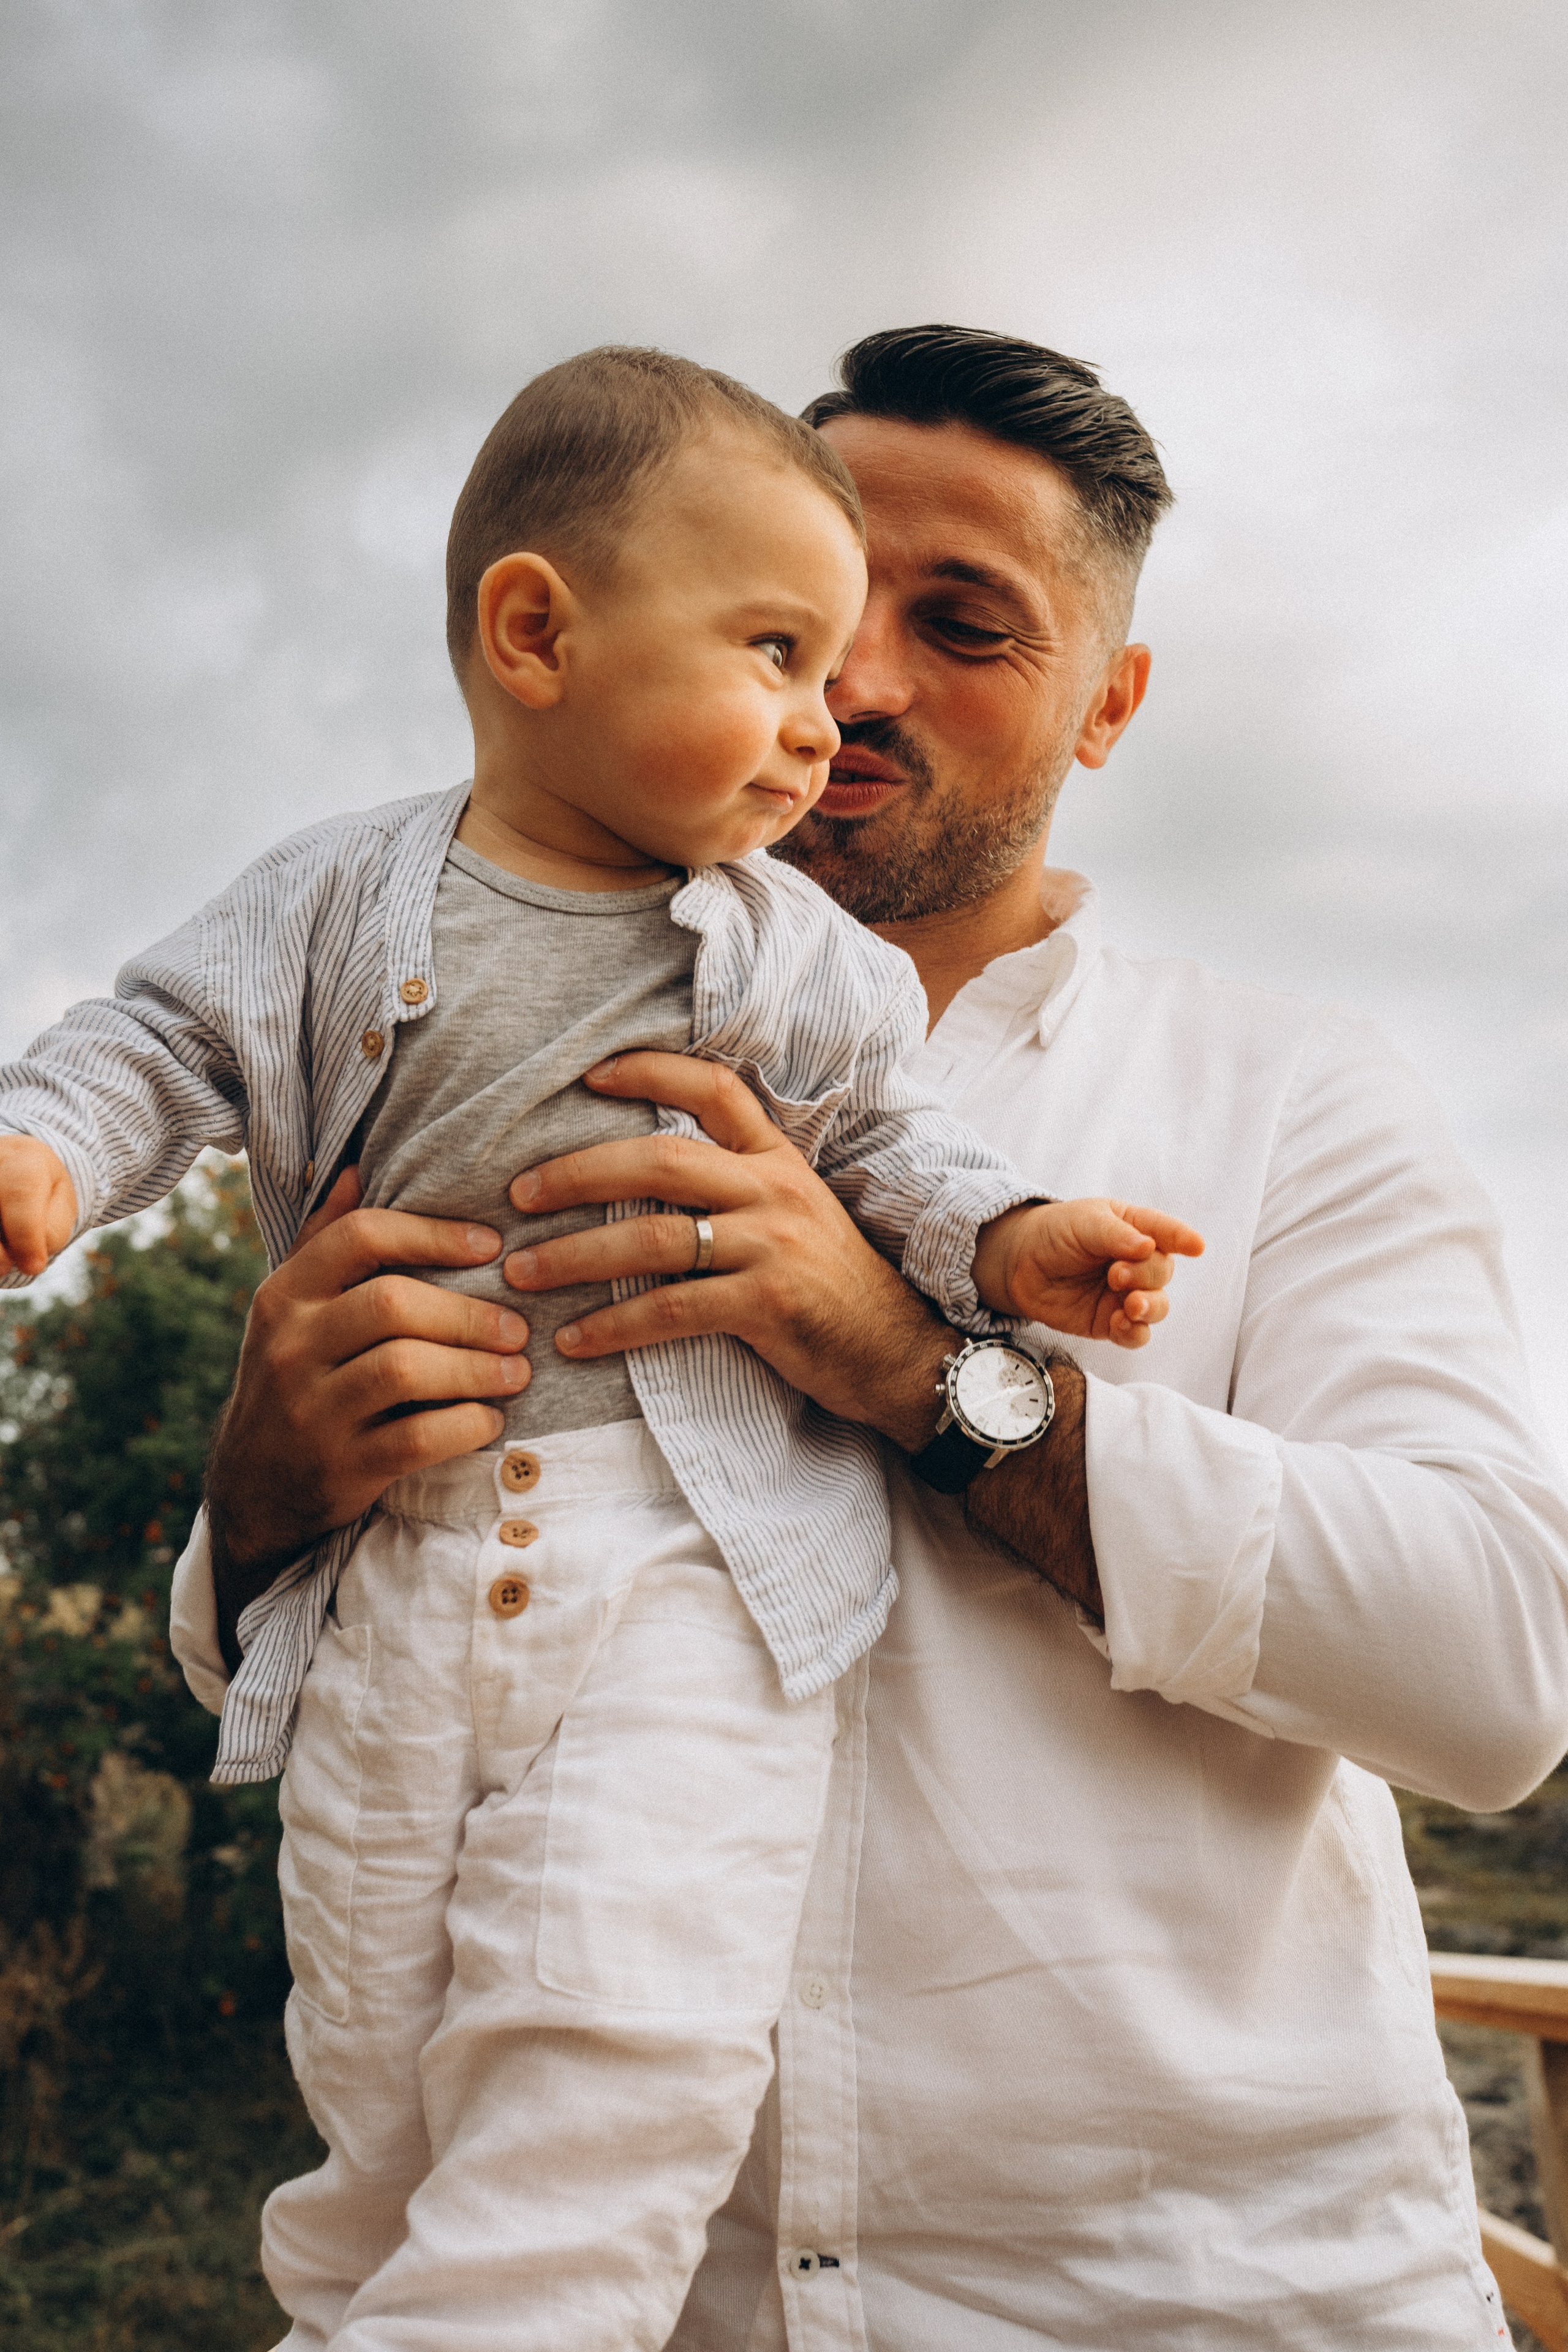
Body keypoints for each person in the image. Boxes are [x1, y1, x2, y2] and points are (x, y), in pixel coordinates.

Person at [165, 325, 1568, 2348]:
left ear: (1111, 704)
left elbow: (1501, 1670)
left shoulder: (1293, 1095)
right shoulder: (442, 1046)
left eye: (963, 624)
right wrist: (260, 1503)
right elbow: (293, 1654)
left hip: (1217, 2308)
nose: (856, 691)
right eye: (807, 626)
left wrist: (918, 1372)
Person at [0, 345, 1203, 2351]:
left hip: (682, 1579)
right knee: (374, 2067)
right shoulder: (332, 896)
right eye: (781, 652)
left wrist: (1010, 1241)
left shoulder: (792, 954)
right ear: (539, 635)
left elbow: (890, 1140)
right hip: (399, 1581)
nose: (832, 714)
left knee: (618, 2032)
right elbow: (159, 1043)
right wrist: (43, 1152)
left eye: (886, 650)